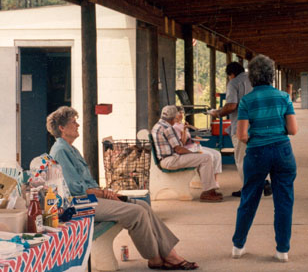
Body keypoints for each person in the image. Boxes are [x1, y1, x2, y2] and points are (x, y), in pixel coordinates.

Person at [46, 106, 198, 271]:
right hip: (78, 204)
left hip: (90, 198)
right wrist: (105, 193)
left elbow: (86, 183)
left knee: (143, 205)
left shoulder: (70, 148)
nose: (78, 125)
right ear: (62, 128)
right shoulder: (61, 151)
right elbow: (76, 189)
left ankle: (169, 253)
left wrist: (105, 194)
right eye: (73, 122)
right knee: (136, 212)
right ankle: (155, 258)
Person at [231, 55, 298, 263]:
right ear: (271, 76)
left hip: (257, 152)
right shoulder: (284, 97)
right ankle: (282, 250)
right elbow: (293, 130)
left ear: (252, 78)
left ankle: (238, 246)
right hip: (282, 151)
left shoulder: (247, 101)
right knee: (284, 201)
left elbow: (241, 135)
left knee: (249, 198)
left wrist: (257, 136)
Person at [209, 62, 272, 198]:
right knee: (259, 156)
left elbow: (231, 105)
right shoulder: (256, 80)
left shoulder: (234, 83)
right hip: (261, 125)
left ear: (231, 74)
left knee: (243, 159)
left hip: (242, 127)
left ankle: (249, 190)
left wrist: (218, 113)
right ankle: (264, 182)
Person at [152, 105, 223, 202]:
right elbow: (179, 149)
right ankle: (208, 191)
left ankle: (209, 189)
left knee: (203, 157)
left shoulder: (157, 126)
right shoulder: (168, 128)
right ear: (173, 118)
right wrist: (194, 153)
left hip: (165, 159)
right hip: (171, 160)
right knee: (205, 158)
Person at [173, 106, 222, 185]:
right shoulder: (175, 127)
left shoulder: (181, 124)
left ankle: (215, 180)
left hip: (194, 146)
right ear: (174, 115)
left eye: (182, 113)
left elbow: (188, 139)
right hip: (188, 149)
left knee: (217, 154)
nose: (181, 115)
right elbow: (182, 143)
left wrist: (194, 138)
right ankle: (208, 182)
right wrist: (184, 130)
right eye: (179, 113)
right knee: (209, 155)